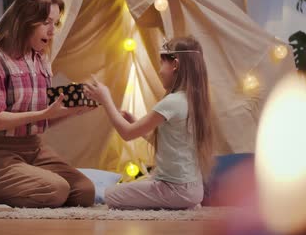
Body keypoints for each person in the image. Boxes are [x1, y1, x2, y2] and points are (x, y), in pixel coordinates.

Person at [0, 0, 95, 208]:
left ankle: (20, 188)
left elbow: (40, 120)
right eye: (46, 23)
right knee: (56, 190)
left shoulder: (42, 60)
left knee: (84, 191)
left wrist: (73, 111)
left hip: (34, 149)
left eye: (54, 23)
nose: (52, 31)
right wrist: (44, 113)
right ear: (25, 21)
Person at [84, 36, 213, 210]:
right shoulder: (193, 100)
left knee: (111, 195)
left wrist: (105, 99)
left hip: (175, 189)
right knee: (138, 185)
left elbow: (127, 133)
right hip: (193, 189)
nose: (160, 71)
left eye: (162, 64)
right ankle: (183, 203)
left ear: (175, 64)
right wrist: (136, 122)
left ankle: (176, 203)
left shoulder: (172, 102)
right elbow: (169, 145)